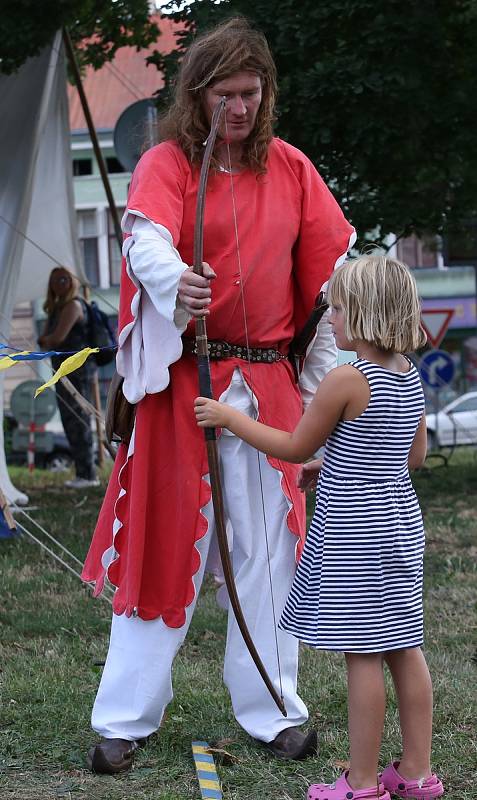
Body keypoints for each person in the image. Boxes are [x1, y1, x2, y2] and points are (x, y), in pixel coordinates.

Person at [82, 16, 355, 774]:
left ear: (264, 93)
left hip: (266, 386)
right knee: (160, 544)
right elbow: (144, 238)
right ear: (196, 97)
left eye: (250, 91)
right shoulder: (168, 163)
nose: (239, 108)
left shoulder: (293, 169)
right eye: (224, 94)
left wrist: (318, 387)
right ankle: (122, 720)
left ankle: (273, 711)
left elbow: (328, 284)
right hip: (185, 390)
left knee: (269, 557)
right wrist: (177, 281)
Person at [195, 255, 444, 800]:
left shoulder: (344, 379)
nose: (329, 320)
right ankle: (418, 776)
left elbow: (292, 445)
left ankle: (359, 783)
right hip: (401, 528)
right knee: (406, 648)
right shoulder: (407, 371)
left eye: (337, 310)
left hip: (359, 533)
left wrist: (229, 417)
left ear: (364, 312)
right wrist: (336, 463)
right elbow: (412, 454)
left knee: (364, 655)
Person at [39, 267, 99, 489]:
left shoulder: (73, 305)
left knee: (78, 418)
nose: (60, 283)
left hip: (77, 371)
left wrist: (47, 339)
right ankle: (83, 472)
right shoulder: (57, 308)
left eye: (64, 279)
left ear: (72, 281)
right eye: (55, 280)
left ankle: (88, 474)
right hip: (64, 372)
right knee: (70, 418)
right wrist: (46, 339)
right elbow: (46, 338)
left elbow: (54, 338)